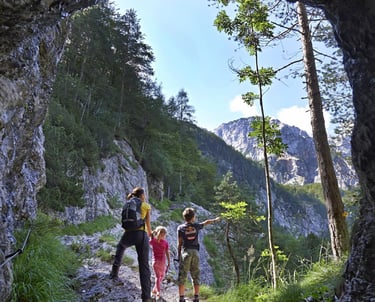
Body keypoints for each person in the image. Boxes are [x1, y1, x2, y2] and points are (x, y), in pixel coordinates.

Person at [110, 187, 153, 302]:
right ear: (142, 195)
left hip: (128, 234)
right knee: (144, 265)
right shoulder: (145, 205)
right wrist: (150, 234)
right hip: (141, 235)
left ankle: (114, 273)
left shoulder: (127, 204)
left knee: (121, 247)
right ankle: (146, 297)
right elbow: (148, 224)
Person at [177, 207, 220, 302]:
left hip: (185, 252)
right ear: (193, 218)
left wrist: (178, 256)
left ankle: (181, 298)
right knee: (195, 275)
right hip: (195, 253)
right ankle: (196, 297)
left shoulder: (180, 228)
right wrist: (215, 220)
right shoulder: (196, 226)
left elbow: (179, 243)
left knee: (182, 275)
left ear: (184, 217)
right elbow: (206, 222)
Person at [149, 226, 171, 300]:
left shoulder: (153, 241)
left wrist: (152, 235)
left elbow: (150, 239)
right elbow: (167, 253)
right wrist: (169, 262)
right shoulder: (165, 243)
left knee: (157, 276)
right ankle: (158, 292)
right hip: (162, 262)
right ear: (164, 234)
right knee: (161, 276)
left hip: (154, 262)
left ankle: (155, 290)